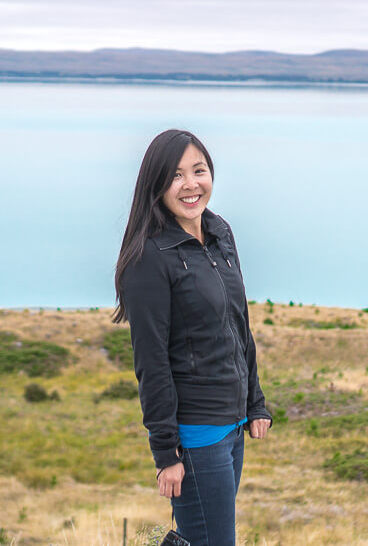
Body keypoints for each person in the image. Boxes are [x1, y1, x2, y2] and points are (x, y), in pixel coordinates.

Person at [112, 129, 272, 545]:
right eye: (175, 176)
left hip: (232, 423)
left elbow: (239, 325)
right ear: (156, 186)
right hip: (196, 434)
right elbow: (152, 363)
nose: (190, 184)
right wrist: (166, 454)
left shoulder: (220, 234)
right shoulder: (149, 257)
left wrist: (254, 402)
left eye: (198, 170)